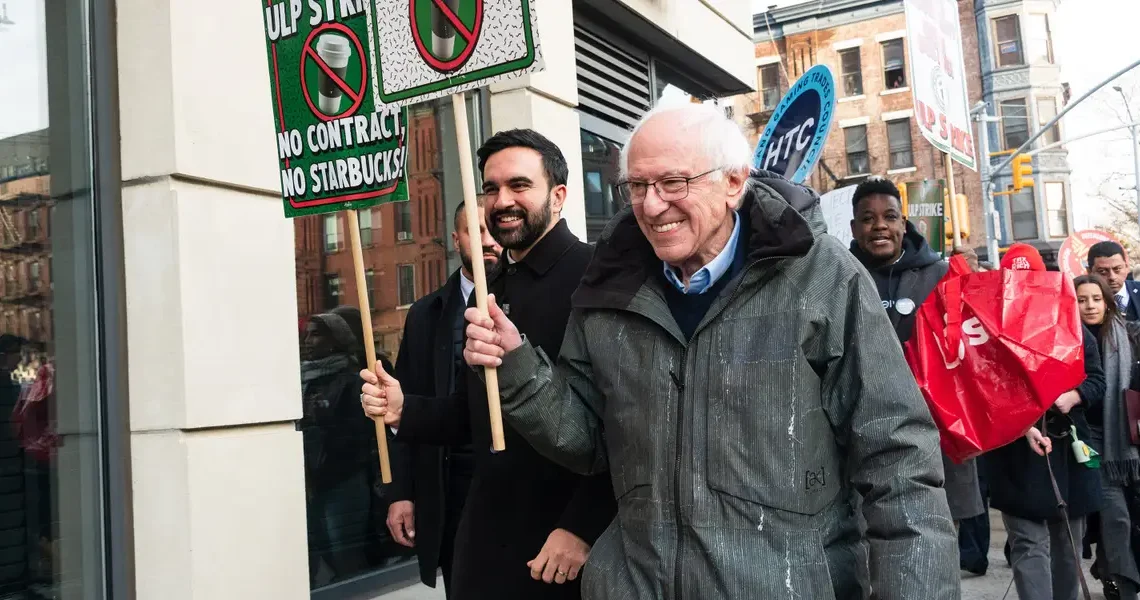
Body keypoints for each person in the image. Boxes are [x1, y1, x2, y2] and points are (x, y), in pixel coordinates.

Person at [450, 104, 959, 598]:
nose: (651, 206)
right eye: (637, 187)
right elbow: (588, 441)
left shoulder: (820, 275)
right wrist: (518, 366)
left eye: (673, 183)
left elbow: (898, 460)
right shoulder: (609, 286)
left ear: (733, 183)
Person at [361, 129, 617, 600]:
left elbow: (630, 423)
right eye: (491, 188)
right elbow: (473, 412)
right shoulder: (489, 287)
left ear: (558, 196)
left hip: (561, 543)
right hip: (485, 534)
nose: (502, 201)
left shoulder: (596, 276)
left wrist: (581, 526)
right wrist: (404, 408)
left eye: (519, 186)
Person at [848, 176, 985, 536]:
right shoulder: (837, 278)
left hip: (933, 439)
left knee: (933, 553)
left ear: (902, 224)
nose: (879, 225)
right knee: (868, 558)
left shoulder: (941, 276)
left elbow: (975, 354)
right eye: (867, 218)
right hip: (860, 440)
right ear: (853, 227)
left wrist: (972, 282)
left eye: (889, 217)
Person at [384, 199, 501, 597]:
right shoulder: (425, 314)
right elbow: (404, 406)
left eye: (494, 230)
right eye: (476, 231)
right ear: (456, 239)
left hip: (513, 487)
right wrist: (401, 492)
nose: (489, 241)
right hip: (447, 487)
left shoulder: (527, 301)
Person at [984, 243, 1106, 600]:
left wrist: (1073, 396)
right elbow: (985, 388)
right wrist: (1023, 424)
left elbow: (1096, 378)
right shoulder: (989, 327)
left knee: (1069, 543)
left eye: (1031, 276)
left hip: (1069, 447)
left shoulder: (1069, 319)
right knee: (1027, 544)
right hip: (1014, 448)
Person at [1075, 273, 1140, 600]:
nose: (1089, 306)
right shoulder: (1065, 338)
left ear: (1107, 301)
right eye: (1082, 299)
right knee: (1115, 513)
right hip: (1083, 439)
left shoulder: (1126, 336)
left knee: (1115, 512)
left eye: (1096, 299)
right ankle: (1128, 587)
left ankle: (1108, 568)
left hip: (1123, 441)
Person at [299, 311, 376, 586]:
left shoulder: (352, 381)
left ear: (335, 340)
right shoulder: (302, 380)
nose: (308, 340)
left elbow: (355, 435)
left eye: (316, 333)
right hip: (311, 483)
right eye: (307, 333)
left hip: (342, 482)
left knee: (345, 557)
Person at [1088, 241, 1140, 321]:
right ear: (1089, 271)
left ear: (1127, 267)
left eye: (1117, 269)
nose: (1112, 277)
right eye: (1102, 271)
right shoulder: (1084, 301)